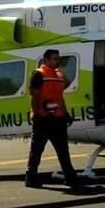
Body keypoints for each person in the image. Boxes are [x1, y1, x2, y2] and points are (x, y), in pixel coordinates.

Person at [26, 49, 81, 188]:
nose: (58, 61)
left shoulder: (59, 76)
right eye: (54, 59)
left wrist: (66, 113)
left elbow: (60, 96)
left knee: (63, 150)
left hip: (58, 118)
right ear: (46, 60)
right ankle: (31, 177)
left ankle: (70, 177)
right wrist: (37, 113)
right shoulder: (38, 74)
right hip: (43, 119)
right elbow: (34, 95)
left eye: (58, 58)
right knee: (37, 150)